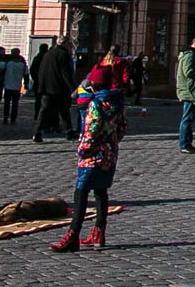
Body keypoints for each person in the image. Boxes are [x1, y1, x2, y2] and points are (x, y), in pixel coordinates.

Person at [48, 83, 127, 253]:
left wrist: (83, 150)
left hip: (93, 154)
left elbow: (92, 129)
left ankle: (73, 234)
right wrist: (111, 142)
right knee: (100, 190)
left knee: (81, 191)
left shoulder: (96, 103)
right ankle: (99, 232)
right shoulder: (117, 102)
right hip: (109, 152)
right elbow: (122, 128)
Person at [33, 37, 76, 144]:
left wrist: (41, 86)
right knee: (64, 111)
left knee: (43, 111)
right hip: (59, 88)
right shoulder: (63, 54)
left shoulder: (47, 54)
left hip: (47, 88)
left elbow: (41, 71)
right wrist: (73, 89)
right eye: (69, 43)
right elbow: (66, 74)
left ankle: (37, 133)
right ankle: (69, 133)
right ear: (65, 43)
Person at [2, 47, 27, 124]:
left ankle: (5, 117)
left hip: (7, 85)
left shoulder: (8, 63)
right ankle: (13, 118)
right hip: (17, 86)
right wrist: (26, 84)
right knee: (15, 104)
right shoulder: (22, 63)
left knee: (6, 103)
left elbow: (2, 71)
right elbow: (26, 74)